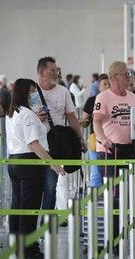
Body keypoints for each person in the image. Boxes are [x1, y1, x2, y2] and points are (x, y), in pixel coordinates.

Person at [5, 78, 65, 259]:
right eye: (31, 91)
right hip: (29, 163)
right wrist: (53, 164)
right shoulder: (28, 115)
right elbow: (34, 145)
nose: (35, 94)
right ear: (23, 92)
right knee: (29, 206)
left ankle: (16, 244)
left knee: (18, 205)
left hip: (14, 161)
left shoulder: (12, 112)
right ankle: (28, 248)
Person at [93, 61, 135, 242]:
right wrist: (103, 139)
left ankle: (123, 234)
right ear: (115, 78)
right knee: (112, 195)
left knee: (128, 194)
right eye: (126, 75)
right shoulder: (103, 98)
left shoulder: (132, 96)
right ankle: (110, 236)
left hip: (130, 150)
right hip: (109, 151)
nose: (129, 77)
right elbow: (97, 122)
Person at [32, 57, 85, 213]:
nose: (56, 73)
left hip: (54, 146)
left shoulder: (63, 92)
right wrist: (35, 116)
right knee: (33, 188)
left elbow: (72, 118)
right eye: (52, 70)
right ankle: (31, 227)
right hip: (33, 146)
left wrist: (80, 139)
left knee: (50, 187)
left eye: (57, 69)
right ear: (42, 72)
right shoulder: (31, 91)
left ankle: (46, 227)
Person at [80, 74, 110, 188]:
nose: (107, 86)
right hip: (95, 139)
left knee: (109, 171)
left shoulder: (116, 100)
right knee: (95, 171)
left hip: (112, 139)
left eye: (109, 84)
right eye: (104, 84)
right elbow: (85, 120)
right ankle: (94, 198)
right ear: (99, 86)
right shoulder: (92, 100)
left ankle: (109, 196)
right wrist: (80, 122)